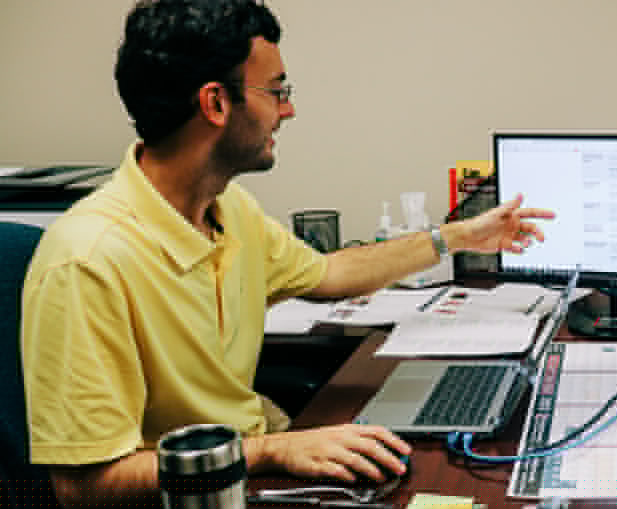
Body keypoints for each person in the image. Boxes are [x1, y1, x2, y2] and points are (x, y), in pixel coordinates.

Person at [20, 1, 554, 506]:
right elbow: (86, 486)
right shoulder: (86, 261)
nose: (289, 109)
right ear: (216, 103)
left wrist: (457, 236)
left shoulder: (230, 210)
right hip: (211, 491)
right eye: (277, 91)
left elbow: (331, 272)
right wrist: (272, 450)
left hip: (262, 464)